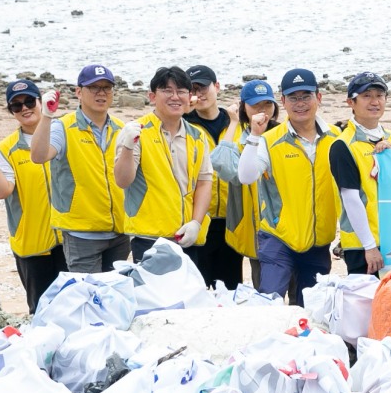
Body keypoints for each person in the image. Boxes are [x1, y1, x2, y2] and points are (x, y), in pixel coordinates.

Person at [235, 67, 339, 301]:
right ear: (283, 101)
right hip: (277, 237)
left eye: (306, 96)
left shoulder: (336, 138)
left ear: (318, 98)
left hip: (318, 240)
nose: (300, 103)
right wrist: (253, 136)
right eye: (293, 97)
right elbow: (246, 176)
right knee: (269, 302)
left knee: (310, 309)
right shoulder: (270, 139)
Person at [30, 63, 128, 273]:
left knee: (116, 297)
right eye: (94, 88)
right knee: (88, 297)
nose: (101, 93)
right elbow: (38, 156)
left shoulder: (122, 129)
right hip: (81, 233)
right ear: (79, 92)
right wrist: (46, 115)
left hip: (120, 231)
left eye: (107, 88)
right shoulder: (63, 126)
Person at [0, 79, 65, 312]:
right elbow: (2, 191)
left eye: (30, 101)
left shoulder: (63, 135)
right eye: (17, 106)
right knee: (41, 311)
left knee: (77, 305)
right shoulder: (7, 149)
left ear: (41, 102)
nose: (25, 108)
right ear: (12, 112)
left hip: (72, 237)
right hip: (33, 244)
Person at [114, 66, 213, 260]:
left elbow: (204, 182)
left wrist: (196, 223)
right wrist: (127, 146)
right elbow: (123, 180)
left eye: (181, 91)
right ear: (152, 96)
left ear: (189, 96)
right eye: (167, 91)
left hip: (186, 235)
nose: (175, 97)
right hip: (149, 237)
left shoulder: (197, 135)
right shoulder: (137, 131)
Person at [329, 72, 391, 276]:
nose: (374, 101)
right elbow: (351, 198)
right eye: (367, 96)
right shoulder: (342, 145)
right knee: (366, 305)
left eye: (379, 95)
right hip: (362, 246)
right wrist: (369, 246)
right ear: (351, 102)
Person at [211, 79, 279, 290]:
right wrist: (232, 123)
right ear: (243, 108)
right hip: (252, 229)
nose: (262, 110)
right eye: (255, 105)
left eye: (267, 104)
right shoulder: (239, 139)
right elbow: (223, 165)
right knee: (264, 290)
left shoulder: (282, 135)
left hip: (283, 228)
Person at [184, 64, 243, 288]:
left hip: (233, 217)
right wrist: (183, 110)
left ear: (216, 87)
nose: (199, 94)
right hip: (199, 217)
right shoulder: (184, 124)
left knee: (231, 286)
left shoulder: (236, 122)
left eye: (203, 87)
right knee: (199, 285)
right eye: (192, 90)